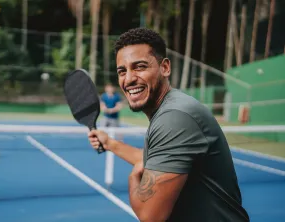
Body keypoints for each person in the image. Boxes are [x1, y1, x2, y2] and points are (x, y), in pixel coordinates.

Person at [88, 28, 249, 222]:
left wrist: (133, 178)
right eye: (122, 71)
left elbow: (150, 216)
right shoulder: (170, 109)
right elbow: (158, 160)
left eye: (139, 67)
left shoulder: (174, 118)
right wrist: (110, 143)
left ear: (165, 67)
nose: (129, 79)